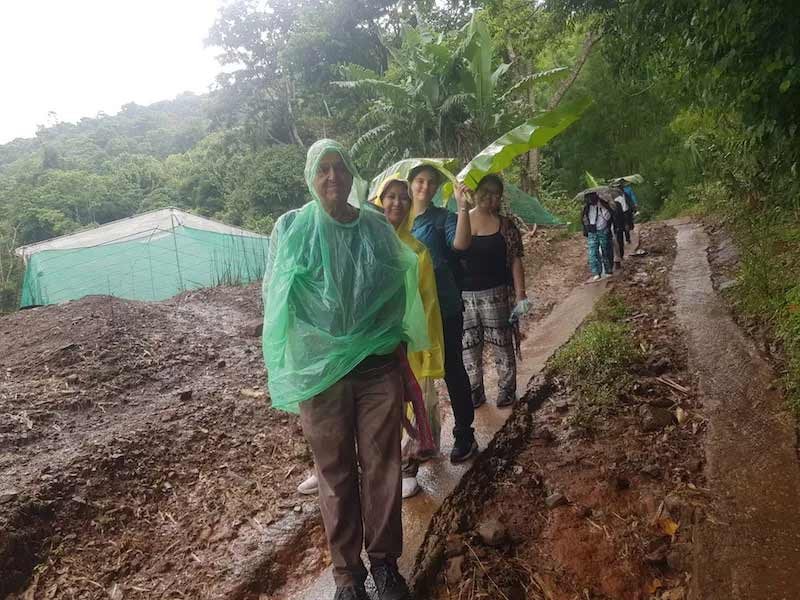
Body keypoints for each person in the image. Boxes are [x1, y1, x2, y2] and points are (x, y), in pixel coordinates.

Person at [262, 139, 429, 600]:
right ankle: (347, 576)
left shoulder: (375, 227)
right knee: (334, 473)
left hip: (376, 370)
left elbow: (398, 282)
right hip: (323, 376)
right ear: (310, 178)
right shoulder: (293, 229)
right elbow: (280, 302)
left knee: (383, 466)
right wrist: (310, 354)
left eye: (340, 167)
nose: (332, 177)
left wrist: (387, 340)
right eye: (323, 169)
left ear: (352, 175)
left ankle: (385, 565)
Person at [375, 176, 446, 499]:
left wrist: (428, 347)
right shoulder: (367, 245)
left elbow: (428, 302)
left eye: (403, 198)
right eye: (390, 196)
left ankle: (407, 466)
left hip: (408, 344)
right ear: (379, 200)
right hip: (373, 343)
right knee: (376, 408)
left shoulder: (417, 251)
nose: (397, 203)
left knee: (413, 404)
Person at [408, 165, 478, 463]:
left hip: (445, 307)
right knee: (412, 378)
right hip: (410, 313)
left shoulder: (441, 218)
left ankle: (464, 433)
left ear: (436, 188)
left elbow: (461, 244)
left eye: (430, 182)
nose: (425, 186)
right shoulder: (393, 217)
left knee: (451, 368)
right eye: (420, 181)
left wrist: (462, 208)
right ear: (410, 184)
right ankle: (420, 440)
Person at [458, 174, 527, 408]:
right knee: (468, 348)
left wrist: (521, 296)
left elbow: (516, 260)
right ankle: (474, 390)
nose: (490, 197)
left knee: (502, 344)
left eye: (495, 193)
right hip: (464, 299)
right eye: (485, 191)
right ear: (474, 192)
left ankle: (507, 389)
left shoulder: (506, 225)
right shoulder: (459, 220)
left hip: (496, 294)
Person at [581, 191, 614, 282]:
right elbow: (584, 219)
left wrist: (601, 209)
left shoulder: (603, 205)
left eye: (590, 198)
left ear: (595, 197)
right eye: (587, 199)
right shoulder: (586, 208)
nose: (589, 200)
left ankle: (608, 270)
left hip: (603, 230)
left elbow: (608, 217)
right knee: (592, 253)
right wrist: (586, 230)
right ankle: (596, 272)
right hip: (592, 232)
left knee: (606, 251)